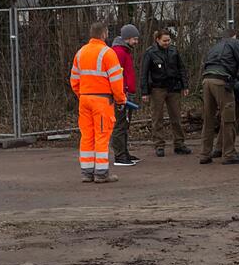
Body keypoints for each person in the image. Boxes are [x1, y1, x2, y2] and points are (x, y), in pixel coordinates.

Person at [70, 21, 127, 183]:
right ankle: (101, 173)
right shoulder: (108, 53)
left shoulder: (80, 53)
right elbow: (116, 81)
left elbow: (74, 80)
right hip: (102, 100)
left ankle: (87, 172)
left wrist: (82, 94)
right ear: (104, 34)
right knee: (102, 136)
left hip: (85, 99)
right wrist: (120, 99)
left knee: (87, 136)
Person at [140, 29, 191, 157]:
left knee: (176, 117)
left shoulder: (174, 51)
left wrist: (185, 86)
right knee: (157, 117)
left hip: (173, 87)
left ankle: (179, 144)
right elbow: (144, 73)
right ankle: (159, 145)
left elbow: (181, 68)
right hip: (157, 88)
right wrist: (144, 92)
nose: (167, 43)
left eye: (168, 40)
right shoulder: (150, 53)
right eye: (164, 40)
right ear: (157, 40)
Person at [199, 30, 239, 165]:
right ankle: (229, 154)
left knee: (208, 119)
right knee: (228, 119)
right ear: (234, 36)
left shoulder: (215, 46)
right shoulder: (234, 43)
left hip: (207, 80)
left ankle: (204, 154)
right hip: (221, 82)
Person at [110, 24, 141, 166]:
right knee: (120, 125)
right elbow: (116, 75)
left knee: (125, 124)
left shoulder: (124, 51)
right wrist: (122, 92)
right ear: (127, 38)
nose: (136, 42)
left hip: (125, 93)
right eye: (134, 39)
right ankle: (120, 155)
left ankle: (124, 152)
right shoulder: (119, 52)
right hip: (121, 94)